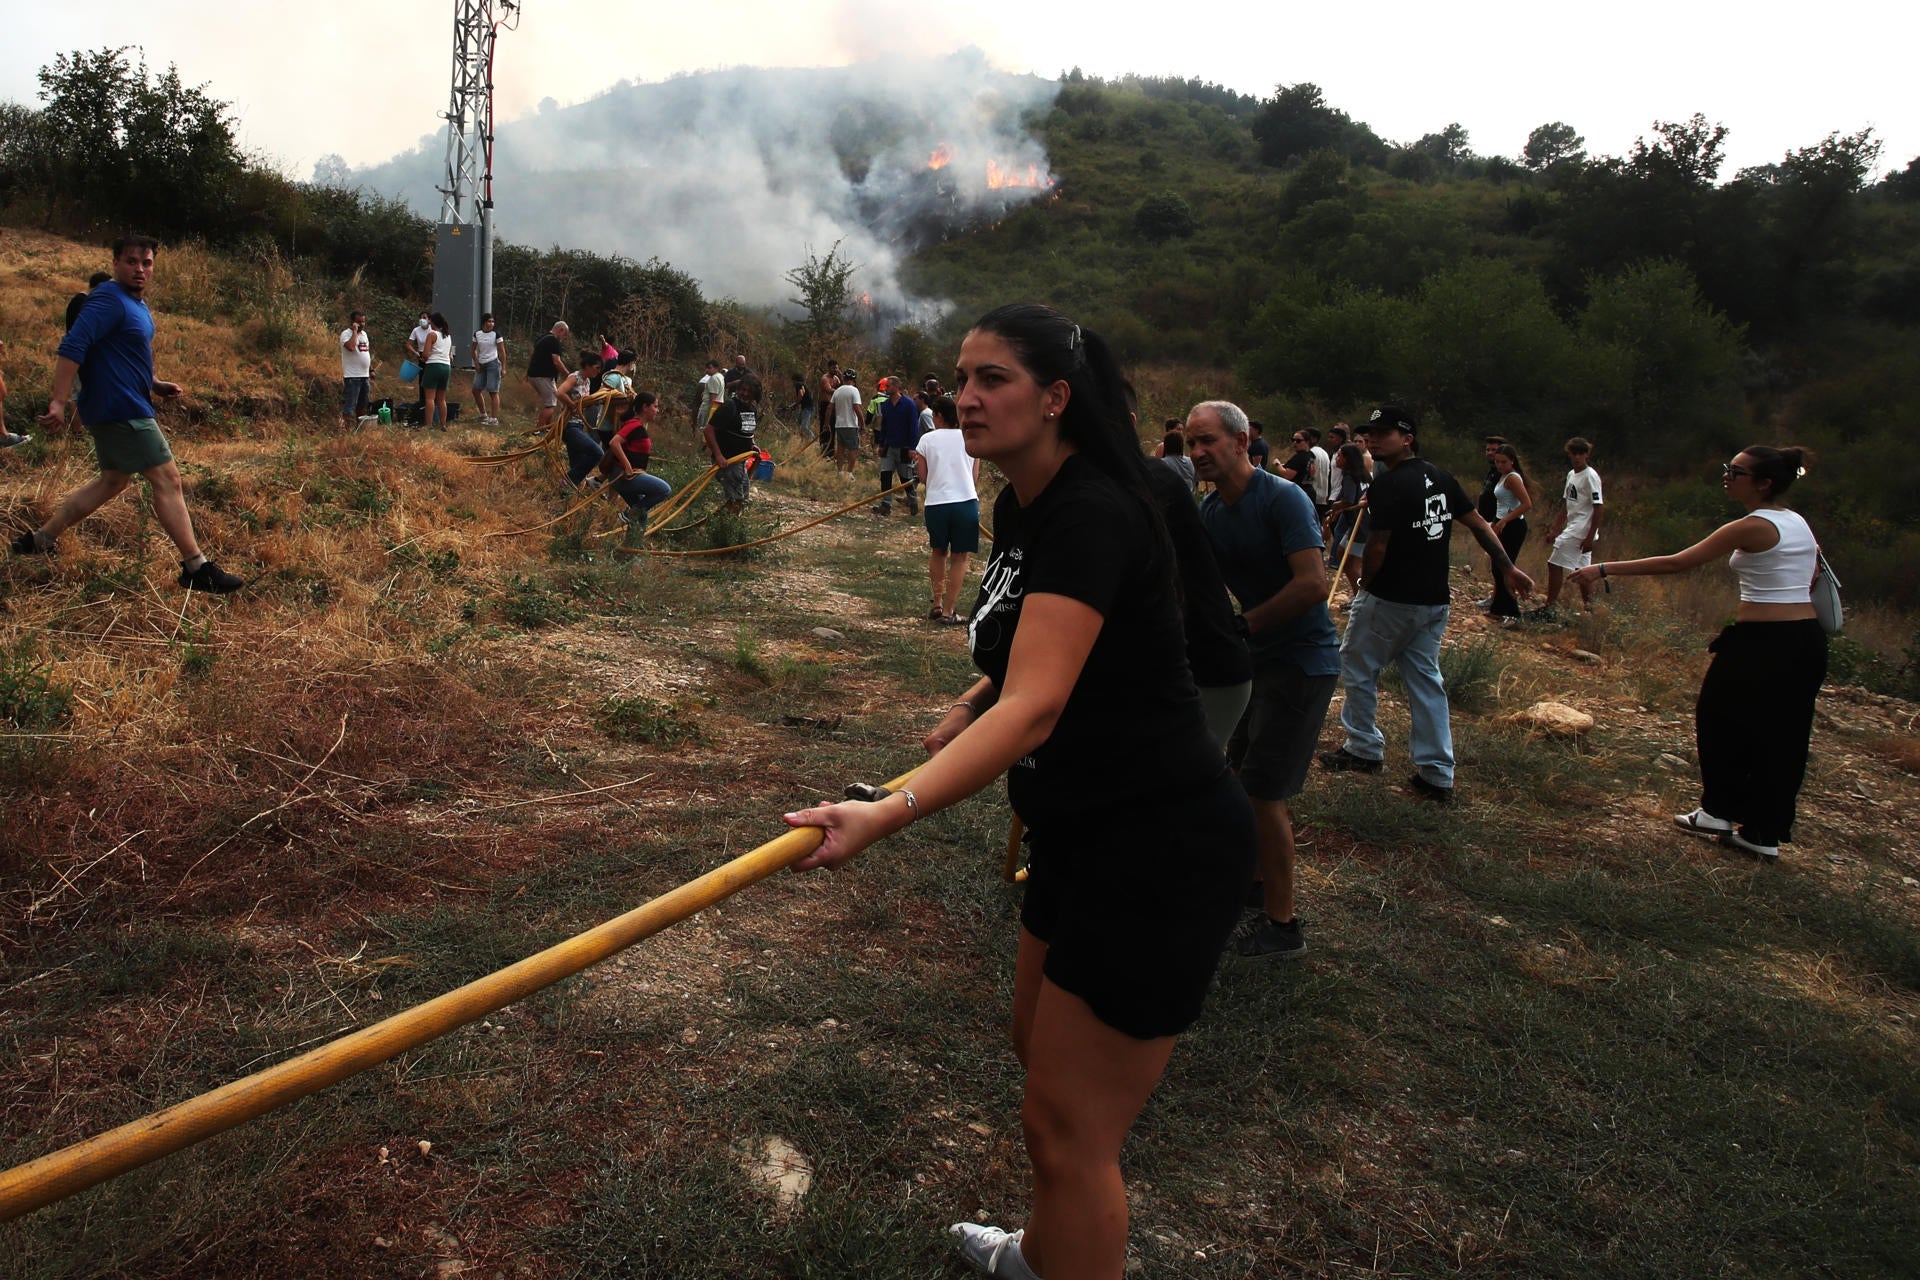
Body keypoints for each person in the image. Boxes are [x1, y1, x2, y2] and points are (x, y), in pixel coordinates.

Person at [782, 303, 1254, 1280]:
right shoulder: (1030, 507)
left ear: (1056, 398)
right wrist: (969, 699)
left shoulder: (1096, 511)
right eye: (962, 376)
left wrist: (889, 808)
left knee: (1068, 1127)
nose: (964, 396)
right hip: (1079, 830)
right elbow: (1039, 655)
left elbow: (1038, 705)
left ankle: (1055, 1259)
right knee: (1034, 1042)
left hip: (1156, 846)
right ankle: (1045, 1252)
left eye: (991, 377)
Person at [1570, 447, 1826, 860]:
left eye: (1736, 472)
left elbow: (1676, 563)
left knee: (1719, 717)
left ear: (1763, 483)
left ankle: (1717, 812)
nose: (1727, 475)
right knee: (1782, 737)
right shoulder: (1796, 521)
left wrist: (1603, 569)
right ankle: (1763, 832)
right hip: (1805, 640)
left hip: (1765, 644)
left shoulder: (1751, 526)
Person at [1188, 399, 1339, 961]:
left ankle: (1283, 926)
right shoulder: (1211, 512)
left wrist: (1241, 625)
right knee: (1238, 772)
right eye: (1193, 443)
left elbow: (1313, 585)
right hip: (1258, 661)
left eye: (1209, 441)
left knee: (1263, 791)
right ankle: (1254, 884)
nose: (1199, 452)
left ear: (1242, 440)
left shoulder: (1284, 498)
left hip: (1302, 663)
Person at [1319, 405, 1531, 802]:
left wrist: (1367, 584)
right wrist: (1508, 569)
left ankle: (1363, 748)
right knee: (1425, 681)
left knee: (1358, 664)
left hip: (1391, 599)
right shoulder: (1441, 477)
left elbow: (1378, 544)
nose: (1374, 440)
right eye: (1371, 434)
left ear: (1407, 438)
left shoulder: (1388, 486)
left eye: (1384, 434)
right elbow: (1479, 525)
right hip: (1433, 601)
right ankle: (1437, 773)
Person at [12, 235, 242, 592]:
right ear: (116, 262)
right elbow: (73, 345)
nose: (140, 269)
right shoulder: (107, 298)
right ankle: (196, 567)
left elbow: (127, 353)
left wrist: (154, 382)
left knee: (112, 481)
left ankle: (41, 540)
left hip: (126, 402)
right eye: (132, 261)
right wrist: (58, 401)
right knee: (169, 479)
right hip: (119, 407)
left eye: (146, 263)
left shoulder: (137, 305)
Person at [908, 394, 978, 622]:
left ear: (938, 415)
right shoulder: (970, 437)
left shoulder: (927, 440)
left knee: (939, 551)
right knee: (960, 557)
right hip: (965, 501)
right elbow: (974, 476)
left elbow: (924, 477)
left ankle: (937, 603)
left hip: (937, 503)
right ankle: (949, 611)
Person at [1541, 437, 1604, 616]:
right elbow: (1566, 504)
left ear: (1587, 454)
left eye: (1581, 454)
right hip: (1573, 524)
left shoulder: (1590, 476)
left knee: (1554, 563)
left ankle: (1549, 607)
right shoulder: (1571, 474)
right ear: (1569, 454)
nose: (1577, 457)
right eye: (1573, 454)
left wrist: (1590, 536)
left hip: (1582, 528)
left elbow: (1598, 507)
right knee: (1583, 572)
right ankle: (1591, 610)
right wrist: (1555, 529)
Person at [596, 391, 674, 527]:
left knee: (641, 516)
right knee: (664, 489)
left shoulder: (638, 425)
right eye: (655, 407)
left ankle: (631, 546)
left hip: (623, 477)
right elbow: (614, 442)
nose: (657, 410)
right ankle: (629, 514)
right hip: (623, 476)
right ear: (645, 407)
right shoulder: (634, 425)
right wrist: (627, 466)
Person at [1486, 444, 1533, 625]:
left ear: (1512, 461)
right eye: (1497, 462)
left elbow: (1526, 504)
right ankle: (1498, 608)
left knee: (1507, 568)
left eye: (1503, 462)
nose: (1499, 465)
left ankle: (1512, 612)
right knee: (1497, 567)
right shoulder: (1502, 476)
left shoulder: (1513, 478)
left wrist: (1505, 519)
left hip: (1513, 526)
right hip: (1500, 523)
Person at [704, 374, 760, 512]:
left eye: (749, 391)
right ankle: (726, 529)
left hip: (740, 463)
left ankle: (731, 527)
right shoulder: (730, 406)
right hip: (728, 463)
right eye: (743, 389)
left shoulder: (753, 408)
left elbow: (745, 430)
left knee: (743, 499)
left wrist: (751, 444)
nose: (745, 393)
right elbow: (708, 430)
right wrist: (718, 456)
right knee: (735, 500)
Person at [1324, 441, 1371, 598]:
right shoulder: (1363, 473)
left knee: (1351, 563)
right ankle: (1358, 594)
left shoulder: (1350, 476)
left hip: (1361, 525)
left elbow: (1349, 500)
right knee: (1341, 552)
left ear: (1347, 458)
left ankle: (1360, 597)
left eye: (1339, 456)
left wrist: (1336, 506)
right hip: (1360, 522)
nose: (1337, 459)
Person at [554, 352, 607, 489]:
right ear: (588, 366)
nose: (598, 371)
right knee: (597, 453)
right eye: (596, 367)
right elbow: (560, 392)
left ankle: (566, 492)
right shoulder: (575, 377)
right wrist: (572, 405)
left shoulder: (587, 381)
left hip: (578, 425)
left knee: (577, 464)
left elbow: (585, 402)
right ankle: (567, 481)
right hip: (568, 425)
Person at [874, 377, 923, 516]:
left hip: (904, 447)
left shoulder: (908, 404)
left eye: (888, 386)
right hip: (889, 445)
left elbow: (913, 427)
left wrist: (912, 447)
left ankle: (912, 501)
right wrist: (882, 444)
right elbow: (884, 425)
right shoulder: (886, 405)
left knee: (905, 477)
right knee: (885, 474)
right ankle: (885, 504)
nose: (886, 388)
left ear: (896, 386)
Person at [526, 321, 571, 431]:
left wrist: (527, 372)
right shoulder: (553, 340)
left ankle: (546, 428)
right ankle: (538, 431)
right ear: (560, 330)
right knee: (551, 404)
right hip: (543, 376)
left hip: (534, 374)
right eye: (564, 335)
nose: (563, 338)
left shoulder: (542, 337)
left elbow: (532, 355)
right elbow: (556, 361)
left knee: (549, 401)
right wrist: (568, 375)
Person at [418, 312, 453, 430]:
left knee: (429, 398)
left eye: (430, 321)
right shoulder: (448, 336)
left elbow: (426, 354)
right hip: (446, 367)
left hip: (433, 366)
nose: (429, 324)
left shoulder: (432, 335)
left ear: (433, 323)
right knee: (442, 399)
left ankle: (429, 425)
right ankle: (443, 424)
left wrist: (421, 357)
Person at [339, 310, 372, 429]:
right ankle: (346, 428)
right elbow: (351, 347)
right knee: (350, 405)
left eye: (363, 321)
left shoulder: (365, 335)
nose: (362, 324)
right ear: (353, 322)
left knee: (363, 405)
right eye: (359, 322)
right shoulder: (346, 334)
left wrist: (370, 369)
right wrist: (354, 331)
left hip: (364, 375)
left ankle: (360, 428)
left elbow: (365, 352)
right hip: (353, 376)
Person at [470, 313, 505, 425]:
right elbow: (473, 349)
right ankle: (483, 414)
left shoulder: (496, 334)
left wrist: (503, 367)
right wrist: (476, 362)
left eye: (493, 322)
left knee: (493, 391)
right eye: (489, 321)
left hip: (493, 363)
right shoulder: (477, 334)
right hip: (481, 363)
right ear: (484, 322)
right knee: (476, 389)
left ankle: (494, 419)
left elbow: (502, 352)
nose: (491, 324)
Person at [831, 367, 863, 477]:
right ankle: (849, 473)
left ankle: (840, 472)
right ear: (854, 380)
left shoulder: (837, 391)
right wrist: (862, 424)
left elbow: (829, 408)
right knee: (853, 449)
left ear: (844, 378)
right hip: (851, 425)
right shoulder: (854, 390)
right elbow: (857, 408)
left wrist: (826, 424)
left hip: (839, 425)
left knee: (840, 449)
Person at [405, 309, 433, 420]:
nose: (422, 320)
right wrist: (416, 353)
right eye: (421, 318)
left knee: (431, 379)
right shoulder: (416, 330)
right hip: (421, 355)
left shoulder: (432, 330)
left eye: (425, 317)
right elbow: (409, 344)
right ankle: (423, 401)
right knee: (422, 380)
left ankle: (432, 401)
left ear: (429, 320)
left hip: (432, 355)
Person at [1278, 429, 1316, 500]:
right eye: (1293, 440)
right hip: (1309, 491)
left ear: (1307, 442)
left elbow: (1287, 475)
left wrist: (1278, 465)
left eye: (1298, 441)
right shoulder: (1311, 455)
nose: (1295, 443)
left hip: (1299, 492)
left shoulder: (1299, 457)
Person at [1159, 427, 1195, 492]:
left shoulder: (1162, 464)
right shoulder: (1191, 462)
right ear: (1181, 445)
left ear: (1166, 446)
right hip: (1189, 499)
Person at [786, 372, 815, 439]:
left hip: (807, 409)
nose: (792, 383)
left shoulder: (798, 384)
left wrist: (795, 404)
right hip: (806, 408)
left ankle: (813, 439)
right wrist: (793, 405)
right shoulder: (803, 385)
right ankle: (802, 440)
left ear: (795, 380)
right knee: (799, 425)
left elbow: (801, 395)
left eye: (793, 381)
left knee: (804, 426)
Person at [699, 359, 727, 427]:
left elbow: (713, 397)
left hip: (709, 407)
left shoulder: (714, 378)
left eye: (709, 368)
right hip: (718, 406)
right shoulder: (720, 376)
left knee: (704, 427)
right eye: (707, 368)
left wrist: (710, 413)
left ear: (716, 368)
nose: (707, 370)